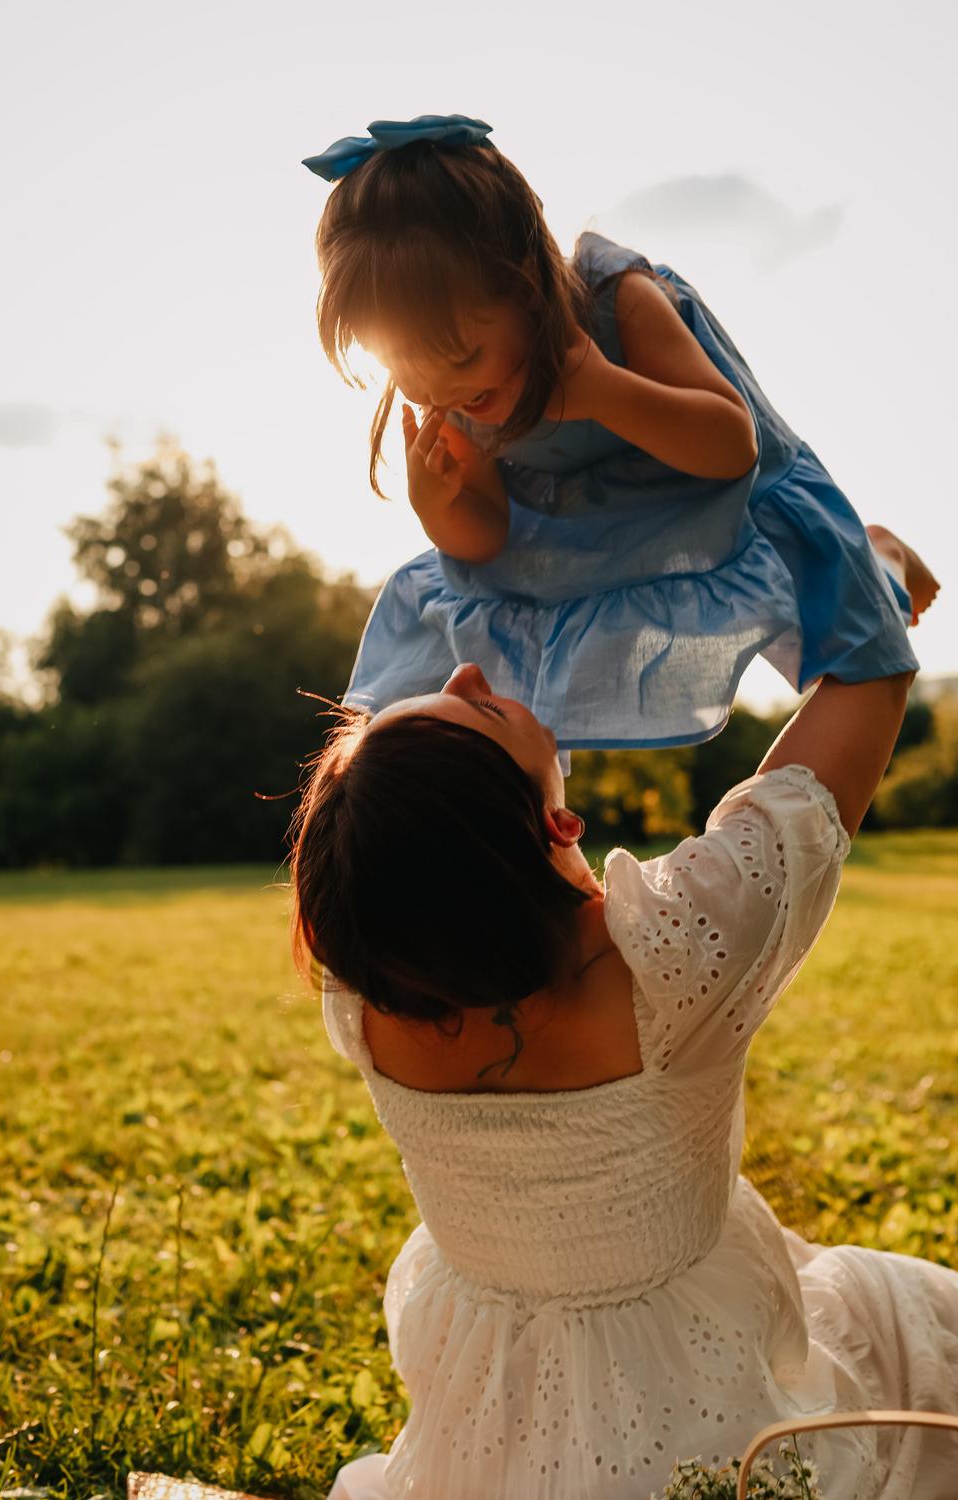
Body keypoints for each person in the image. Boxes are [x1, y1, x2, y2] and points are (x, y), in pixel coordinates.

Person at [290, 533, 956, 1500]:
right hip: (708, 1383)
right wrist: (873, 571)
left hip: (494, 1398)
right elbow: (849, 722)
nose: (468, 668)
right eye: (476, 706)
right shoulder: (678, 956)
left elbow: (401, 819)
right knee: (913, 1341)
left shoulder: (368, 991)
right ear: (555, 825)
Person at [302, 116, 937, 752]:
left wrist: (605, 391)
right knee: (461, 657)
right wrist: (440, 508)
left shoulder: (616, 299)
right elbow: (489, 539)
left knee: (856, 629)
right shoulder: (456, 396)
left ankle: (881, 555)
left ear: (525, 285)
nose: (438, 391)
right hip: (583, 529)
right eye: (403, 368)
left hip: (709, 488)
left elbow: (730, 446)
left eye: (461, 358)